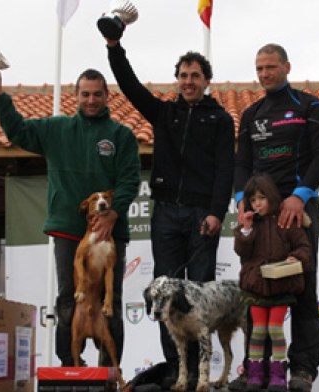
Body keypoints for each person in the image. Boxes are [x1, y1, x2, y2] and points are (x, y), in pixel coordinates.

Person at [101, 32, 235, 388]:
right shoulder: (164, 112)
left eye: (195, 76)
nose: (189, 82)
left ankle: (201, 373)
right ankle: (178, 368)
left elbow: (226, 170)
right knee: (166, 293)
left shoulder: (220, 119)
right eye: (183, 75)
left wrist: (216, 212)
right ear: (177, 80)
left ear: (206, 81)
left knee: (202, 294)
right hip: (166, 214)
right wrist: (114, 48)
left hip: (202, 216)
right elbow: (129, 86)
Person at [0, 69, 141, 367]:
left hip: (110, 231)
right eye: (85, 94)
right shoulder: (56, 129)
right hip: (69, 229)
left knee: (111, 300)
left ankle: (108, 373)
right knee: (69, 297)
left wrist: (114, 214)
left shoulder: (122, 135)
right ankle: (69, 368)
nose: (91, 100)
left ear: (107, 96)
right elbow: (17, 131)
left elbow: (130, 180)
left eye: (97, 94)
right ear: (76, 96)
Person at [232, 43, 319, 392]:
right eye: (259, 68)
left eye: (270, 67)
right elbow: (242, 164)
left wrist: (298, 196)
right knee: (255, 288)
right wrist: (241, 202)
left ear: (287, 66)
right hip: (261, 215)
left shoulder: (309, 105)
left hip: (298, 210)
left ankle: (302, 369)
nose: (264, 74)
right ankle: (253, 369)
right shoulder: (251, 113)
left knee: (301, 285)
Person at [234, 173, 312, 392]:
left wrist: (296, 257)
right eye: (252, 200)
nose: (257, 203)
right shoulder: (250, 224)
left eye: (261, 197)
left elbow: (304, 247)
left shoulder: (286, 221)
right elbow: (242, 250)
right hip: (257, 287)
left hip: (280, 286)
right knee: (258, 331)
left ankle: (279, 375)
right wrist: (245, 229)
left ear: (272, 196)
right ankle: (255, 374)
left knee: (275, 330)